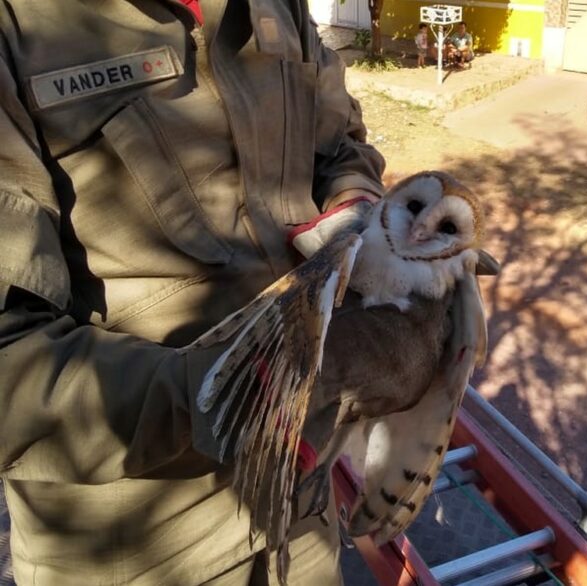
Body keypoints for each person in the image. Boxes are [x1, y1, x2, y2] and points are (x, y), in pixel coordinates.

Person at [0, 1, 449, 585]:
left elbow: (339, 143)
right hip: (146, 552)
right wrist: (256, 388)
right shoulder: (17, 30)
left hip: (303, 514)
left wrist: (360, 222)